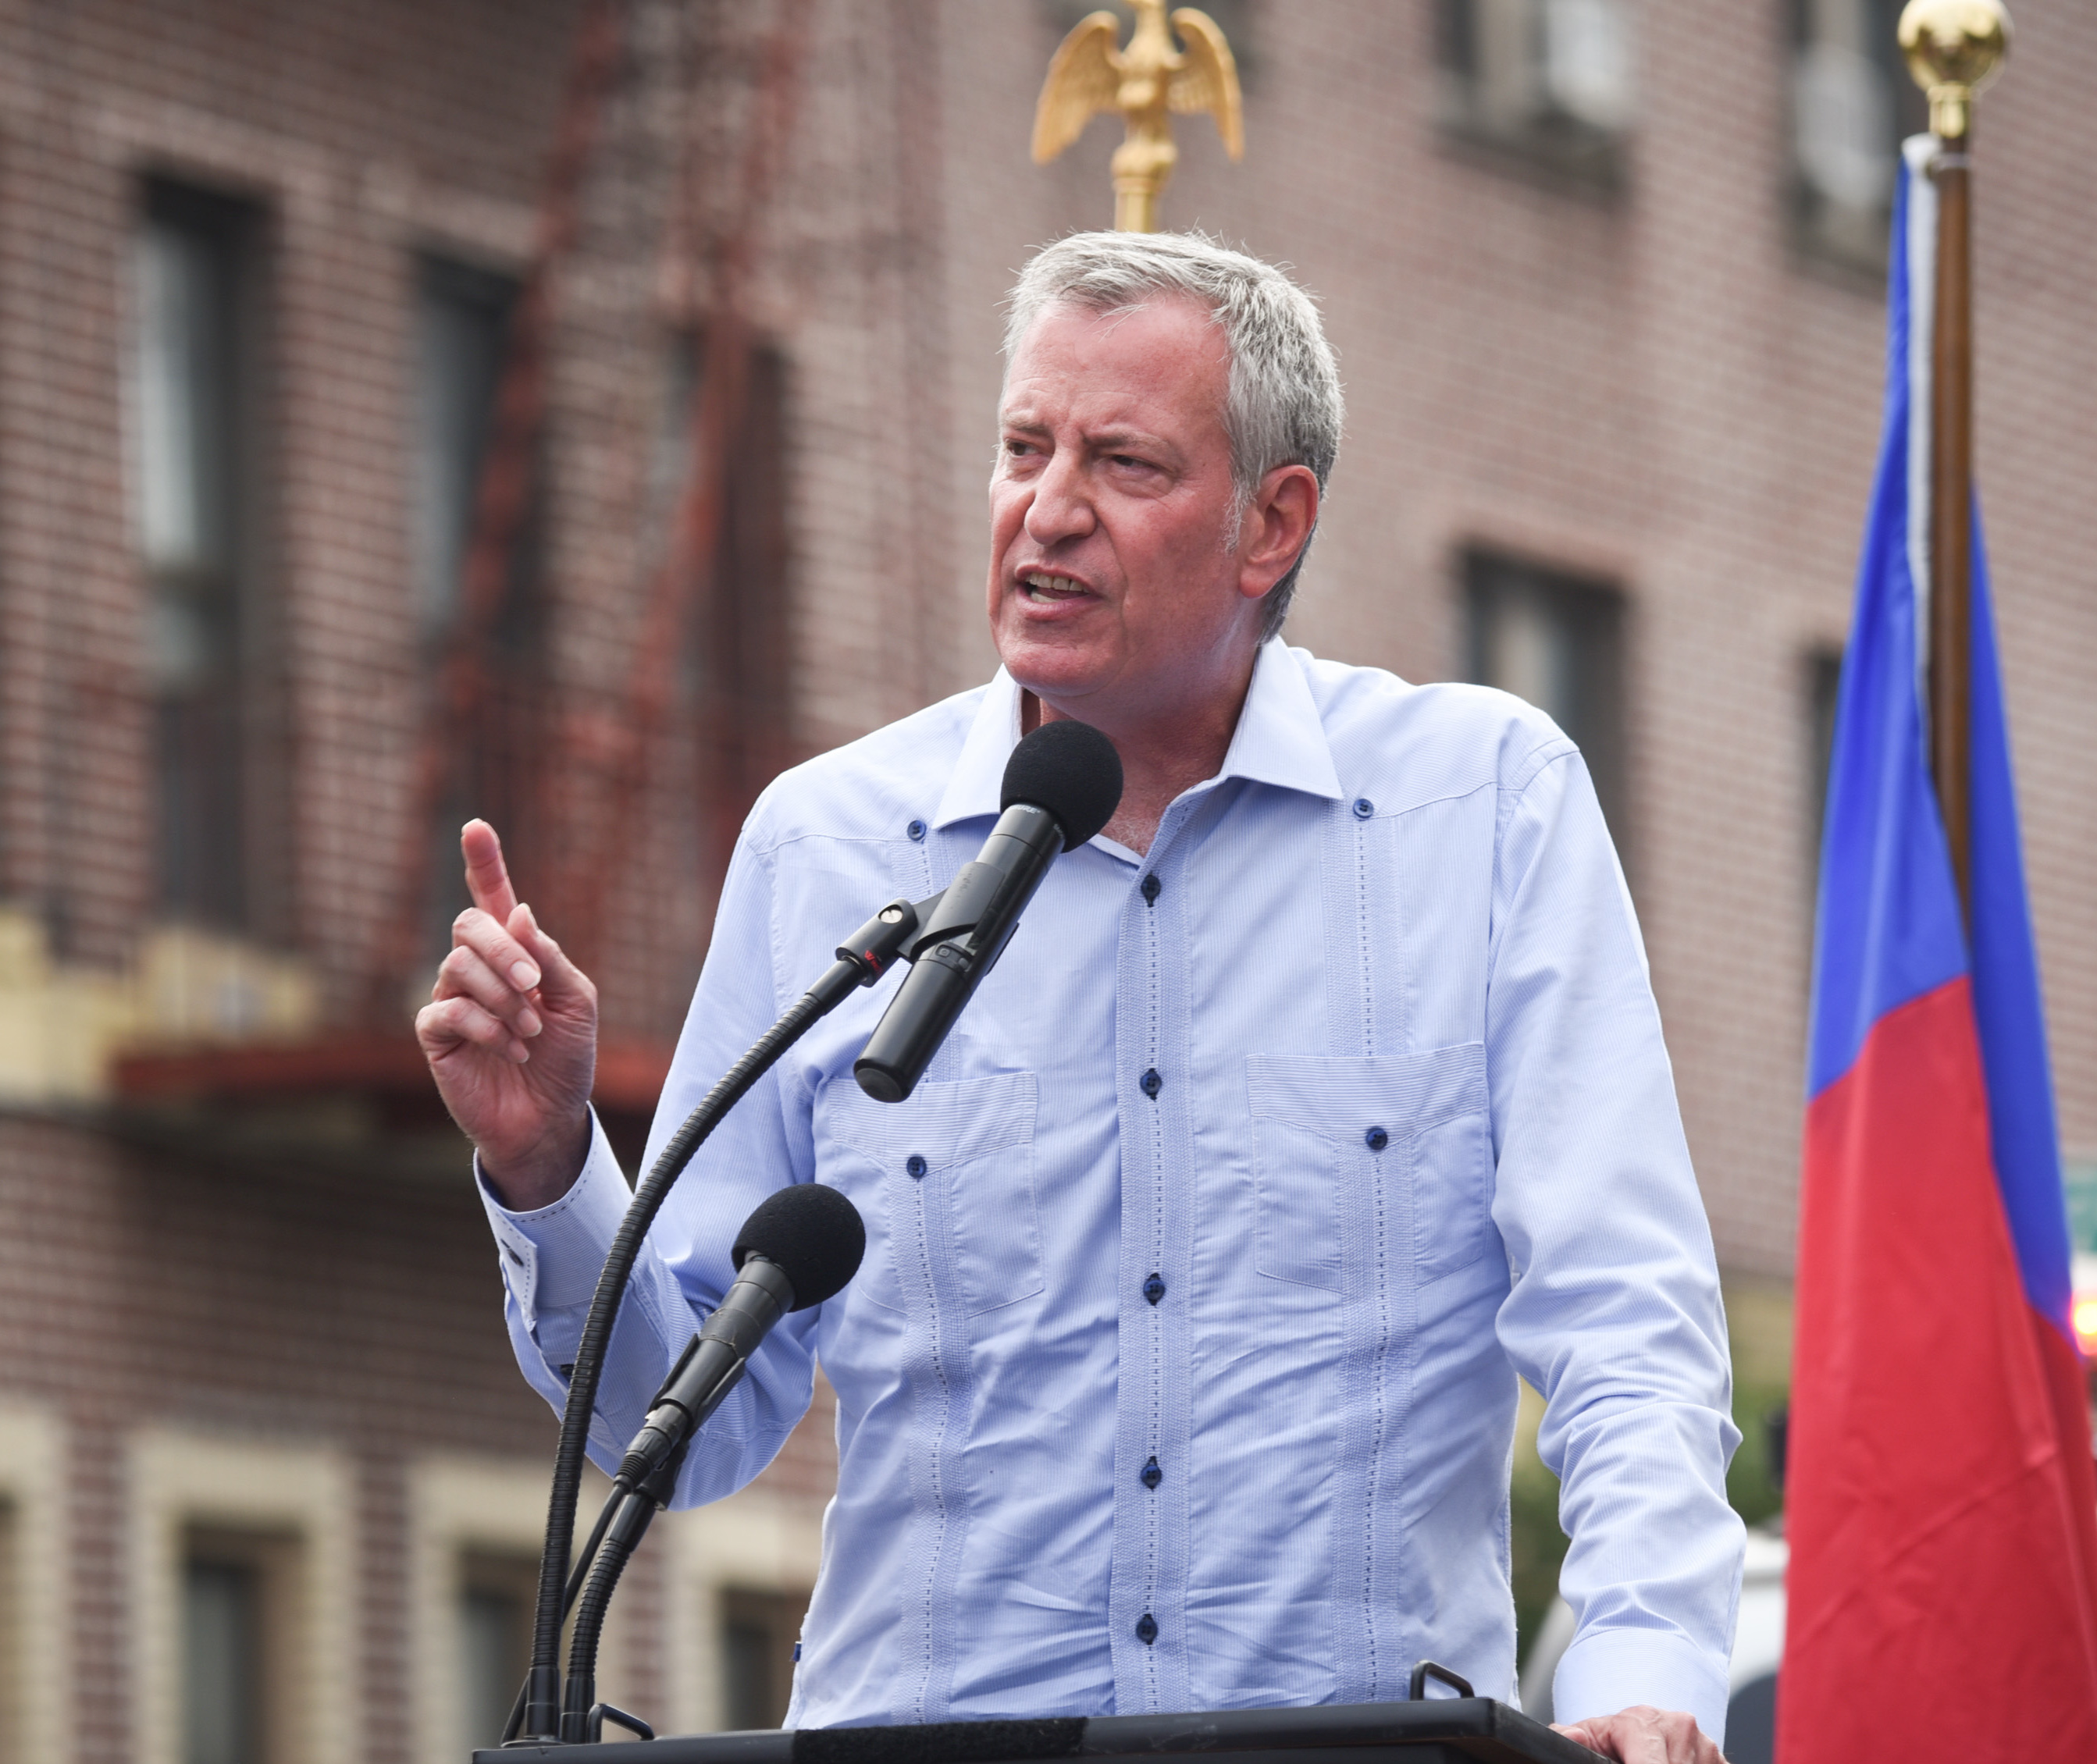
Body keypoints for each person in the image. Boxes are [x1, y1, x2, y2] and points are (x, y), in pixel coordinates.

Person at [419, 232, 1742, 1764]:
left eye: (1121, 462)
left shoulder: (1483, 805)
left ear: (1271, 522)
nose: (1047, 510)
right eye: (1021, 447)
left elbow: (1621, 1312)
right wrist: (547, 1163)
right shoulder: (826, 843)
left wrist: (1640, 1668)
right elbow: (698, 1420)